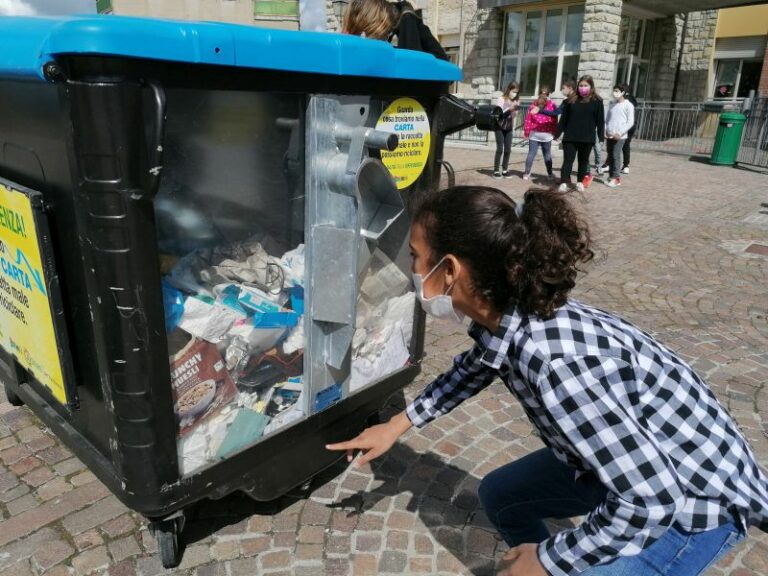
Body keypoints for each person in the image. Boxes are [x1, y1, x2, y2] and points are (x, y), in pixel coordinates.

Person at [326, 185, 768, 576]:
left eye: (416, 258)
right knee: (503, 495)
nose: (414, 272)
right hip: (624, 466)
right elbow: (476, 367)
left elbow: (653, 500)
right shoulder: (506, 312)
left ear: (451, 269)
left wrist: (550, 559)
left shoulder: (555, 364)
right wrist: (398, 425)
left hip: (693, 506)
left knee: (564, 554)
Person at [555, 75, 604, 193]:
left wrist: (601, 137)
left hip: (587, 138)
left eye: (585, 85)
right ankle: (564, 182)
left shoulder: (597, 102)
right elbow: (563, 120)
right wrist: (557, 134)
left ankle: (580, 182)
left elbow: (600, 121)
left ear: (591, 86)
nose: (583, 87)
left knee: (583, 161)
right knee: (568, 161)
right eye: (581, 85)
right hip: (570, 137)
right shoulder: (570, 101)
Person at [599, 85, 638, 176]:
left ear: (623, 92)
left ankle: (616, 177)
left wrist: (619, 133)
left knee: (616, 155)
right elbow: (606, 119)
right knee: (610, 155)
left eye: (617, 91)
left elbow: (630, 122)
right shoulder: (612, 104)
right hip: (609, 135)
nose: (615, 93)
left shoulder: (628, 105)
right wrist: (605, 130)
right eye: (614, 91)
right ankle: (611, 175)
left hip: (620, 136)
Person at [522, 86, 557, 180]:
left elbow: (528, 119)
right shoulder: (552, 104)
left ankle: (526, 174)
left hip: (534, 133)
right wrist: (554, 132)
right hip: (546, 134)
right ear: (549, 93)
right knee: (547, 154)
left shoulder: (533, 104)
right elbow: (554, 119)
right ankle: (550, 175)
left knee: (531, 153)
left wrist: (526, 132)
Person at [493, 82, 521, 179]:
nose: (515, 94)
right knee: (500, 149)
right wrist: (510, 109)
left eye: (517, 92)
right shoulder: (501, 99)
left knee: (508, 149)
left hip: (509, 127)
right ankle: (496, 171)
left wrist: (515, 110)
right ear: (509, 90)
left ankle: (504, 170)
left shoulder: (516, 101)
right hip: (499, 126)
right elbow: (499, 114)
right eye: (513, 91)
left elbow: (514, 115)